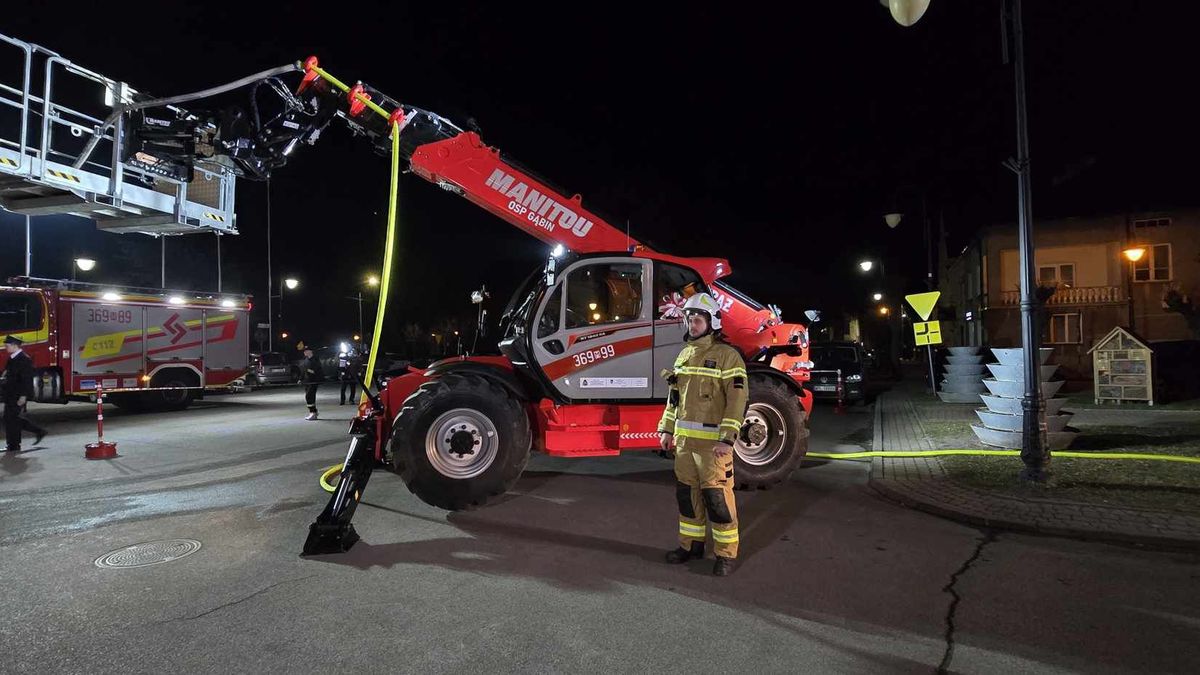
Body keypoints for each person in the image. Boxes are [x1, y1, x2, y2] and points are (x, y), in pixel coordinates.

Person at [656, 293, 748, 577]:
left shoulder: (727, 356)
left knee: (718, 501)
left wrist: (727, 438)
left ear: (712, 322)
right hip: (684, 445)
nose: (692, 325)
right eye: (689, 319)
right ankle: (691, 546)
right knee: (687, 498)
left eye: (698, 320)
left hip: (713, 448)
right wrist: (666, 429)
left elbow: (737, 400)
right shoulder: (684, 355)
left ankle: (725, 555)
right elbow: (675, 398)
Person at [3, 335, 47, 452]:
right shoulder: (11, 358)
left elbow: (27, 379)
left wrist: (23, 396)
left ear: (14, 346)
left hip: (18, 394)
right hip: (10, 393)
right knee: (11, 419)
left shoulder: (24, 359)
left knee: (12, 419)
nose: (5, 347)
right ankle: (14, 443)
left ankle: (14, 444)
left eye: (7, 346)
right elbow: (7, 374)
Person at [299, 344, 324, 420]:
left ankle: (313, 413)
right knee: (308, 396)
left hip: (313, 381)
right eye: (304, 351)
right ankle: (313, 412)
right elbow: (303, 370)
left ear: (310, 351)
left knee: (310, 396)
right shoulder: (306, 360)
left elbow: (318, 371)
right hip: (307, 381)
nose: (305, 352)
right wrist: (300, 379)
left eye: (306, 351)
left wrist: (310, 371)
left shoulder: (315, 360)